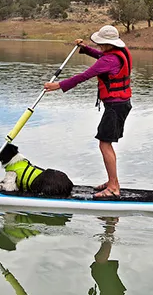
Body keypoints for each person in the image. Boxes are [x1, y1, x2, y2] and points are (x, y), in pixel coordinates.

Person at [44, 25, 132, 199]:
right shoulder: (116, 53)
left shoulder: (108, 60)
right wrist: (85, 49)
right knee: (106, 143)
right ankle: (112, 181)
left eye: (100, 43)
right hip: (119, 105)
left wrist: (58, 85)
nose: (99, 46)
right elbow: (100, 55)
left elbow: (84, 76)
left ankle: (113, 186)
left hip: (115, 107)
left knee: (104, 144)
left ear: (108, 43)